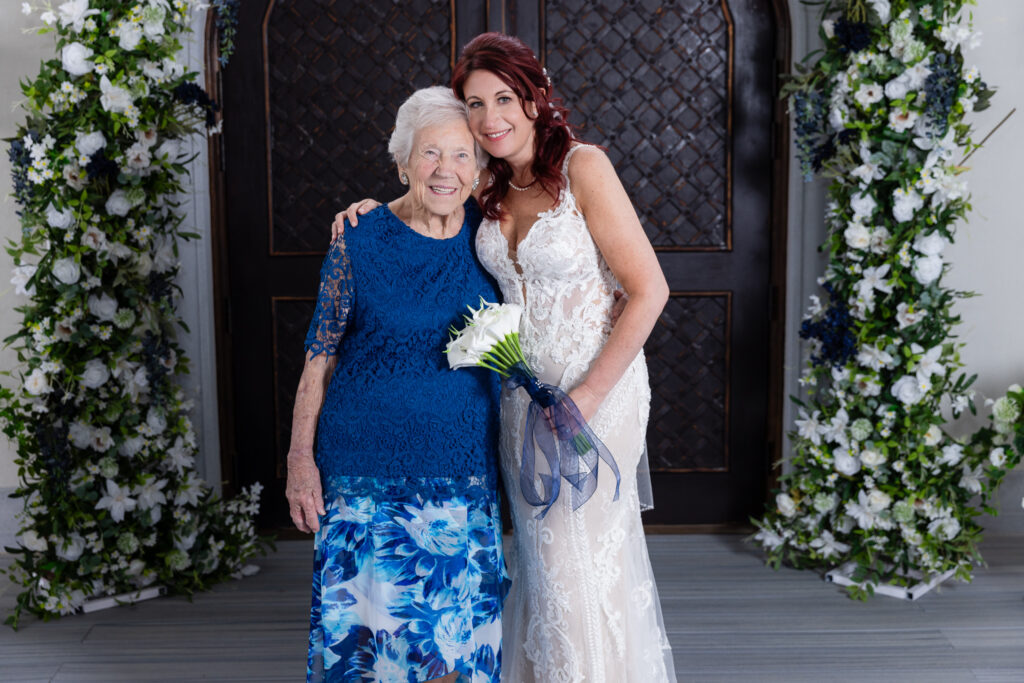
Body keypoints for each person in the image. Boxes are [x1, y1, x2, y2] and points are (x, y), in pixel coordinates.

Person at [334, 33, 676, 682]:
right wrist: (375, 211)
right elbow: (422, 207)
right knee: (544, 566)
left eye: (504, 98)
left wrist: (587, 397)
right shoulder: (483, 181)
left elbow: (649, 289)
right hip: (521, 400)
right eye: (474, 103)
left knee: (582, 561)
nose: (490, 117)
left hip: (596, 395)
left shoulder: (584, 168)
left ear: (533, 97)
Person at [286, 86, 509, 683]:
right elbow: (319, 357)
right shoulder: (357, 240)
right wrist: (299, 462)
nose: (446, 170)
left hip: (459, 475)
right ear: (402, 161)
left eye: (463, 155)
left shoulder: (493, 240)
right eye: (430, 154)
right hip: (363, 476)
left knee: (451, 655)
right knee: (367, 654)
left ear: (480, 167)